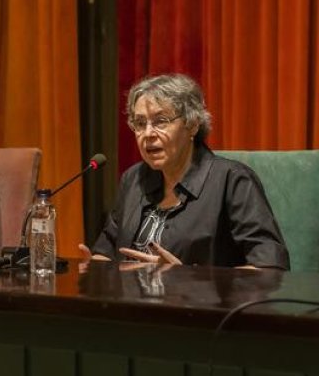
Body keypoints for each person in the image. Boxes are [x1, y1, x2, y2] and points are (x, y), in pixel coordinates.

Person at [80, 73, 289, 269]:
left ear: (192, 125)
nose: (148, 133)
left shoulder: (232, 181)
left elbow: (269, 267)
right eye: (140, 123)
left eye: (161, 121)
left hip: (198, 307)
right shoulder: (134, 179)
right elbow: (106, 250)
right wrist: (93, 269)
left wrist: (187, 278)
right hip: (130, 305)